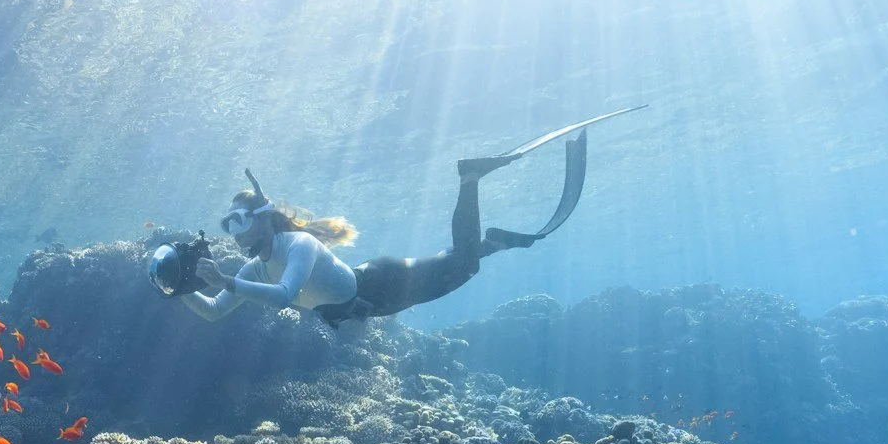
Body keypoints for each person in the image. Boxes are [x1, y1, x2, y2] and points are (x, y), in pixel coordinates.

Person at [176, 107, 640, 325]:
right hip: (379, 297)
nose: (235, 236)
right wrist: (178, 287)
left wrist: (227, 279)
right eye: (228, 226)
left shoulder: (297, 246)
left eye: (239, 223)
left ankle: (470, 179)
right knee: (459, 260)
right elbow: (215, 313)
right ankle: (493, 240)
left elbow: (283, 296)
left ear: (262, 218)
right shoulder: (256, 266)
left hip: (383, 284)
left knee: (464, 266)